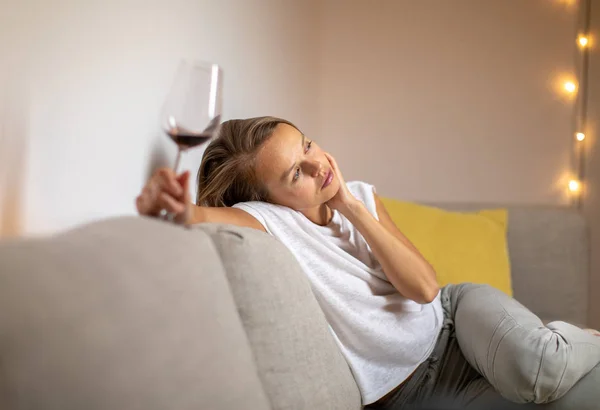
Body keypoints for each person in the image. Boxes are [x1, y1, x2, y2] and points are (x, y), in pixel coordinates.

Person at [136, 116, 600, 409]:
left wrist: (350, 205)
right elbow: (197, 217)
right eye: (296, 173)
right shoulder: (268, 221)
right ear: (268, 202)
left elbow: (424, 289)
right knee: (565, 399)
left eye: (308, 145)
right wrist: (172, 206)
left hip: (455, 322)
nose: (319, 166)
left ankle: (575, 341)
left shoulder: (358, 195)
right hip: (409, 393)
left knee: (539, 366)